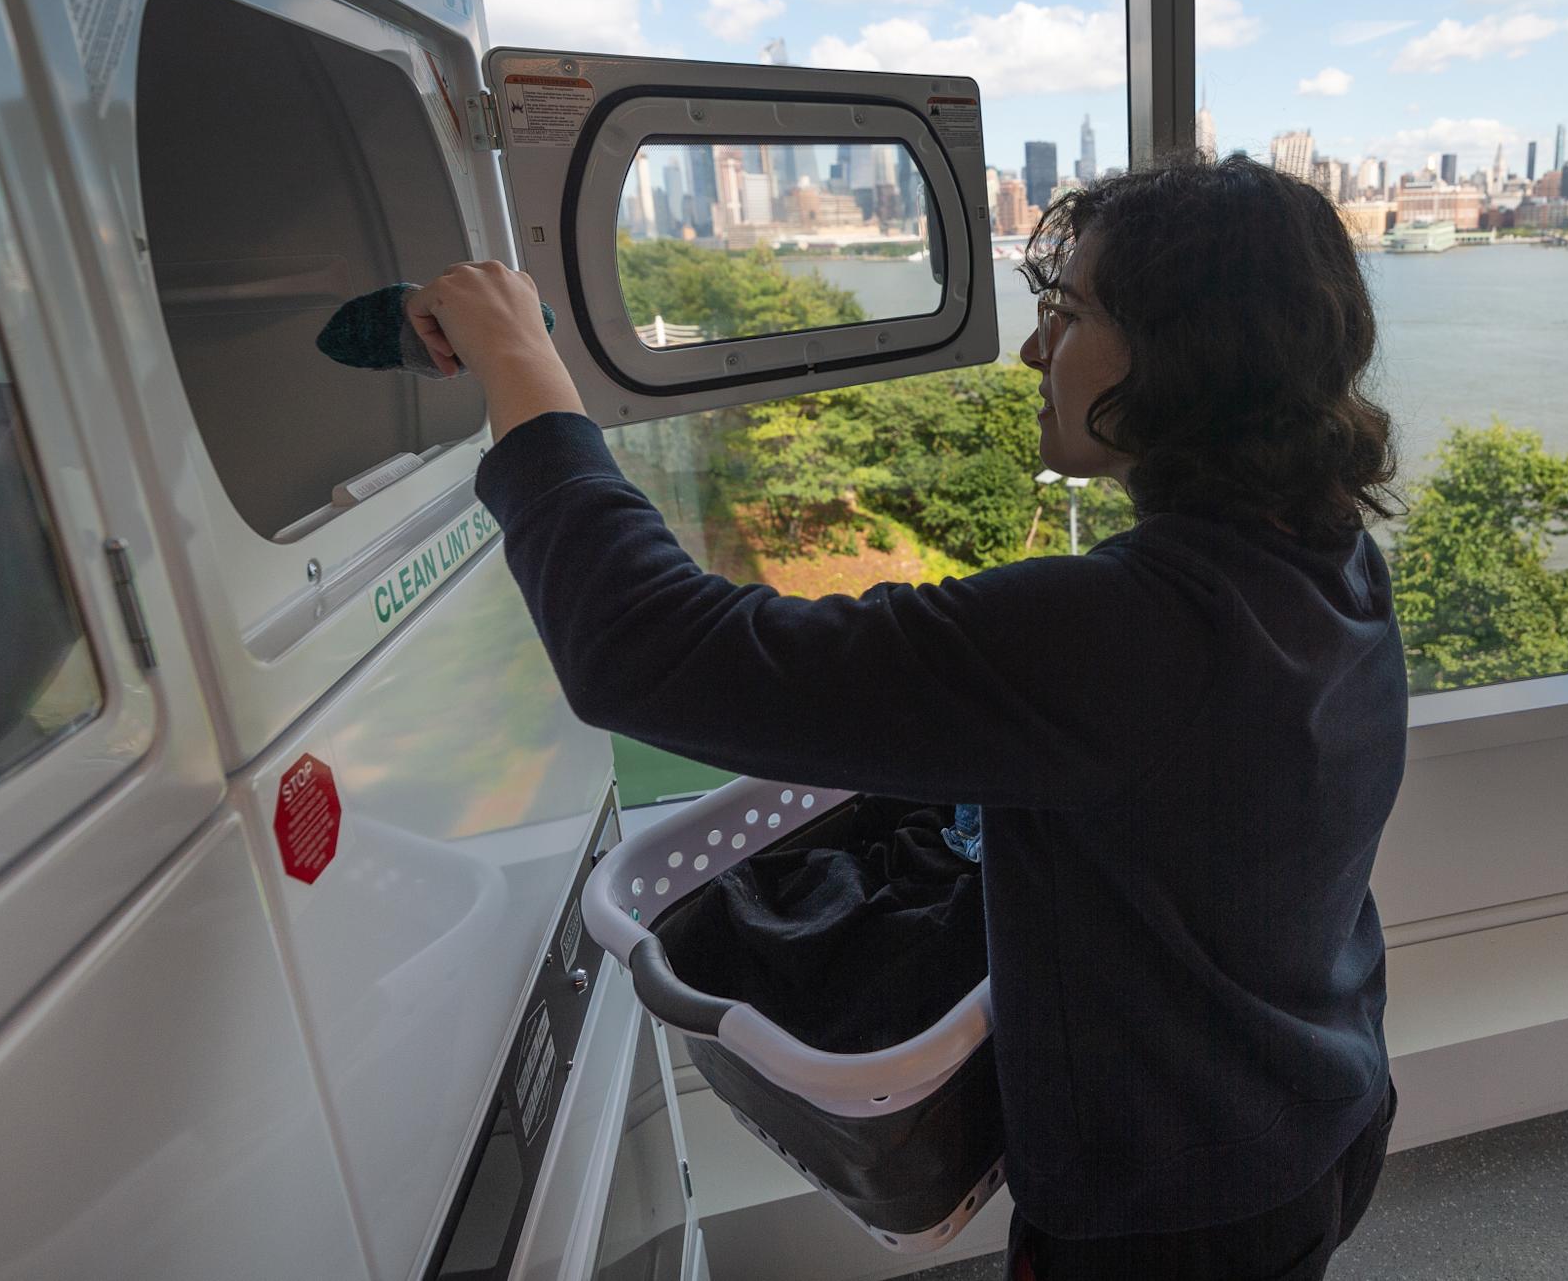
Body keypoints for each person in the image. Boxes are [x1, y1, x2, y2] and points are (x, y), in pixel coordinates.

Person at [412, 154, 1408, 1279]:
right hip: (1321, 1106)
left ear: (1189, 357)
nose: (1035, 350)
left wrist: (522, 372)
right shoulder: (1324, 557)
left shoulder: (1121, 632)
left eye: (1069, 313)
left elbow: (650, 650)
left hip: (1167, 1210)